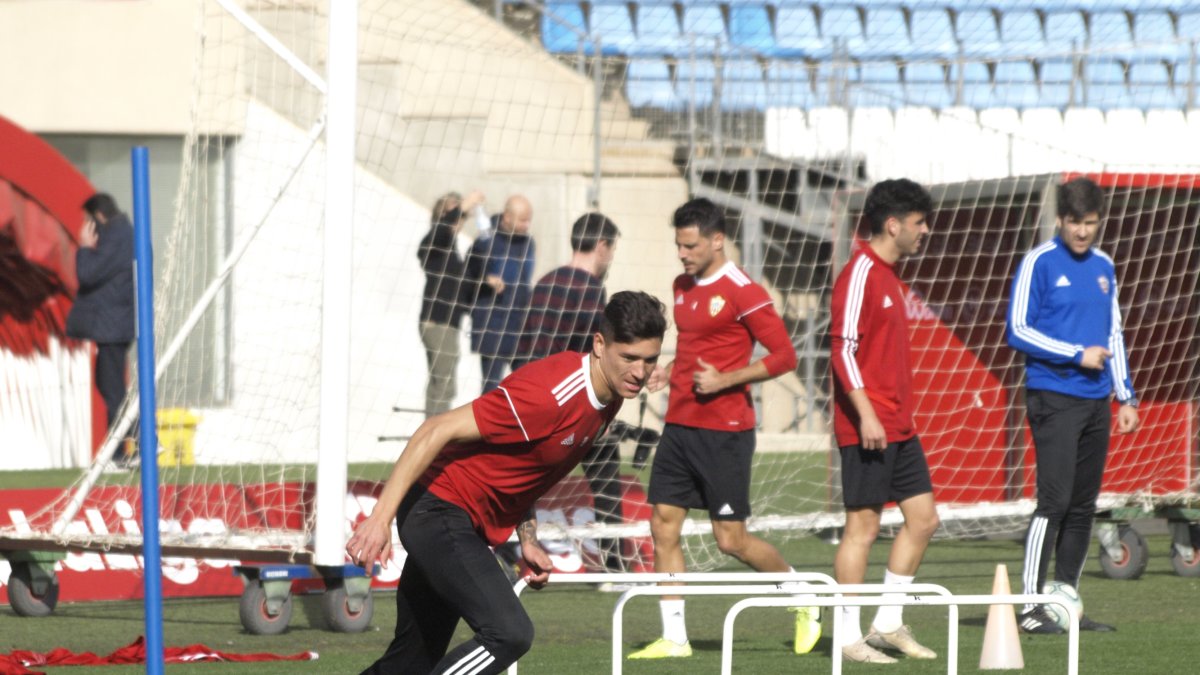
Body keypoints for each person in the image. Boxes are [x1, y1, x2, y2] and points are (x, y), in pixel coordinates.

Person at [346, 291, 667, 675]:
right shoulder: (549, 394)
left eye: (650, 360)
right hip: (436, 510)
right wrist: (379, 518)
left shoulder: (610, 396)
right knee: (509, 633)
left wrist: (527, 539)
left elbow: (526, 467)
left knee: (408, 665)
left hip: (460, 522)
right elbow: (434, 429)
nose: (640, 372)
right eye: (629, 358)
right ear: (599, 345)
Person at [630, 198, 814, 660]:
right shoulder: (681, 286)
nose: (682, 254)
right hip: (679, 426)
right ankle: (675, 637)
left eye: (690, 246)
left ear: (716, 240)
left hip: (725, 431)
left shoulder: (744, 291)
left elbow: (784, 356)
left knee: (730, 539)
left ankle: (804, 596)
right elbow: (693, 347)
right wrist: (668, 371)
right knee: (663, 525)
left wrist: (725, 380)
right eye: (678, 245)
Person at [1006, 176, 1139, 634]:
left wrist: (1126, 395)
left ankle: (1065, 604)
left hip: (1096, 402)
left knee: (1083, 506)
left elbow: (1114, 332)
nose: (1082, 231)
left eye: (1090, 223)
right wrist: (1074, 353)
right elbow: (1017, 329)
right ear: (1060, 220)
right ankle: (1029, 609)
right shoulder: (1038, 262)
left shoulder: (1104, 265)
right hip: (1053, 397)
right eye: (1074, 222)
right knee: (1055, 502)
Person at [828, 178, 941, 664]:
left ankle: (888, 623)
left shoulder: (891, 276)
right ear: (893, 225)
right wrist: (867, 415)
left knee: (924, 520)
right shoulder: (859, 273)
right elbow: (842, 349)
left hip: (899, 425)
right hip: (868, 427)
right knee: (863, 528)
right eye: (919, 222)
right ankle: (848, 637)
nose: (925, 230)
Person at [513, 212, 624, 572]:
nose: (611, 257)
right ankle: (614, 565)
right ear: (602, 246)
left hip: (528, 398)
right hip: (569, 404)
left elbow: (520, 351)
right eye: (612, 249)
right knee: (605, 470)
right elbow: (597, 358)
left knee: (518, 480)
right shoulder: (591, 291)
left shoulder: (544, 283)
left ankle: (507, 552)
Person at [65, 192, 135, 462]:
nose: (86, 227)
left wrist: (84, 247)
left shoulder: (117, 237)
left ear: (99, 217)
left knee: (112, 387)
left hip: (114, 328)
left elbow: (88, 274)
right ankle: (122, 450)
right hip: (114, 325)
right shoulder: (121, 235)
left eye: (88, 221)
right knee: (109, 385)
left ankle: (138, 442)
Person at [417, 190, 498, 417]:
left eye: (462, 217)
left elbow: (459, 290)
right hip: (438, 323)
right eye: (455, 215)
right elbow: (441, 231)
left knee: (442, 382)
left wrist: (486, 283)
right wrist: (464, 206)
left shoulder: (451, 250)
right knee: (443, 384)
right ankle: (436, 432)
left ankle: (433, 429)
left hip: (448, 324)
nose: (460, 221)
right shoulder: (434, 244)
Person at [468, 194, 536, 393]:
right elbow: (470, 269)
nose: (527, 225)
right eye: (523, 220)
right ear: (507, 217)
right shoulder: (486, 238)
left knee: (527, 384)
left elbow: (525, 281)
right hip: (492, 325)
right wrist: (486, 278)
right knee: (491, 386)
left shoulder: (528, 243)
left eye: (529, 220)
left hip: (519, 325)